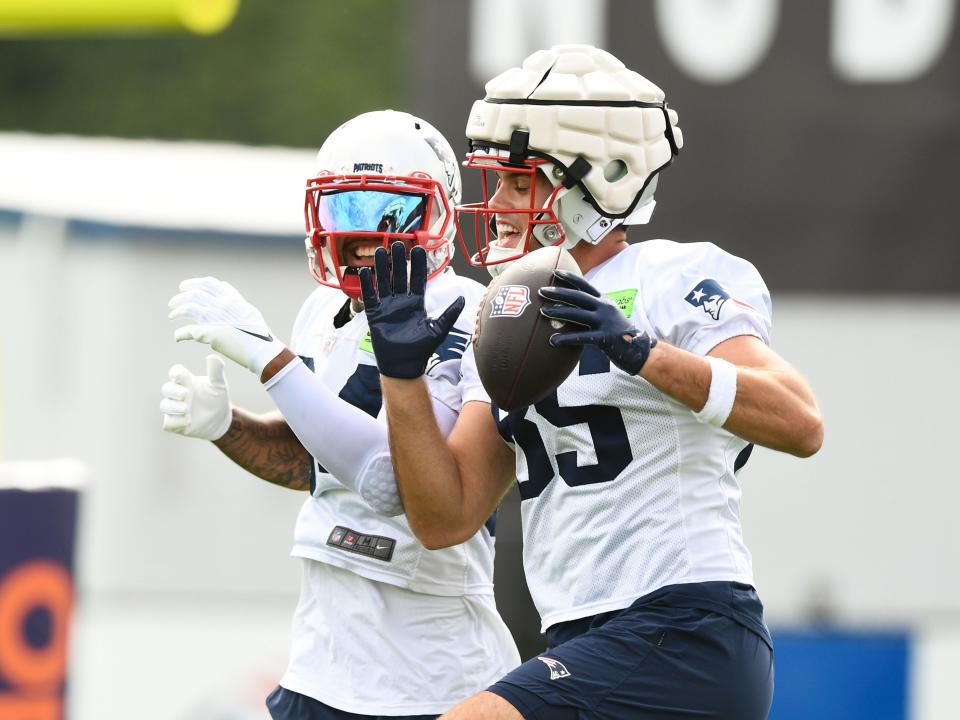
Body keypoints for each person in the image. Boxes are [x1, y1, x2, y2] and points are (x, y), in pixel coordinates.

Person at [357, 46, 824, 720]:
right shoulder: (510, 308)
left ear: (595, 182)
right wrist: (402, 379)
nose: (500, 203)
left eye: (519, 182)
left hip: (683, 628)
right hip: (583, 636)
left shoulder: (675, 277)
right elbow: (447, 514)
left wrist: (641, 352)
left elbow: (801, 421)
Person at [160, 110, 520, 720]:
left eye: (385, 211)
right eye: (342, 210)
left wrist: (271, 362)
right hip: (320, 665)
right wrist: (229, 427)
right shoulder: (322, 309)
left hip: (431, 675)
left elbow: (388, 479)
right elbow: (316, 462)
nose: (358, 236)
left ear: (435, 214)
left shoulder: (473, 312)